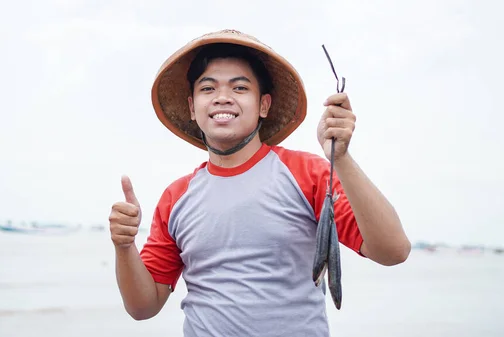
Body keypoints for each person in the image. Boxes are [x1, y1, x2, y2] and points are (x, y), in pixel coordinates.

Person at [109, 29, 411, 336]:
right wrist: (124, 246)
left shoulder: (306, 174)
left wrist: (341, 158)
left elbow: (393, 251)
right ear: (191, 106)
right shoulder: (176, 197)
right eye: (207, 88)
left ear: (264, 105)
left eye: (240, 88)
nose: (222, 97)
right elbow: (143, 306)